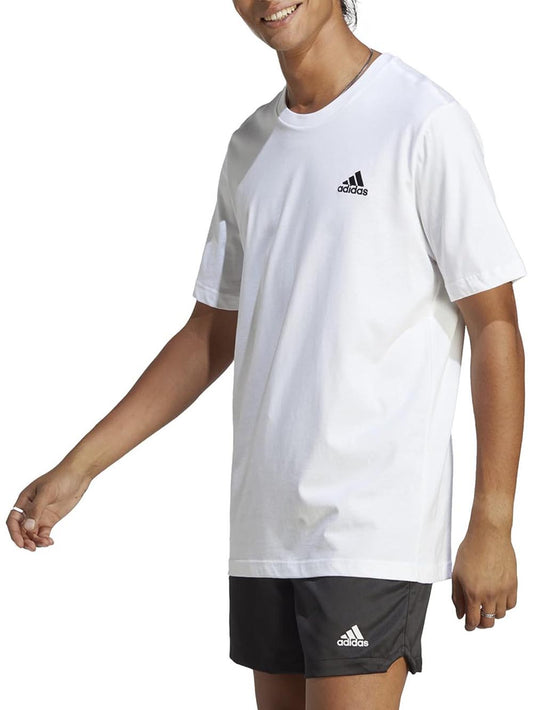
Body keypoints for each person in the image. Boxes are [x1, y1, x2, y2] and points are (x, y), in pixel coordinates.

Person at [6, 1, 526, 708]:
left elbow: (494, 325)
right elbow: (208, 335)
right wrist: (80, 468)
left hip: (371, 530)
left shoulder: (421, 121)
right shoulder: (251, 146)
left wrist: (492, 521)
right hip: (266, 531)